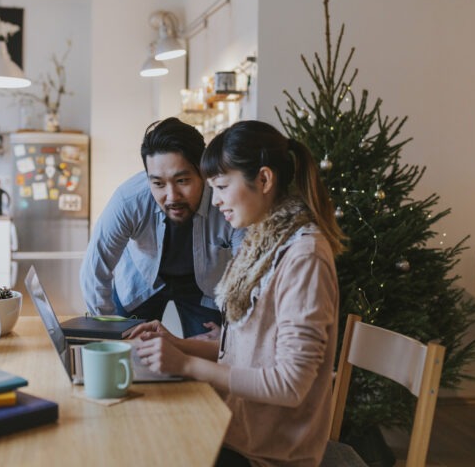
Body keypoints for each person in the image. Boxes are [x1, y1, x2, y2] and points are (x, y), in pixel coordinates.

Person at [130, 120, 346, 466]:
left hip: (268, 452)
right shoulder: (266, 245)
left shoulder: (303, 257)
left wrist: (186, 364)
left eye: (222, 186)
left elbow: (290, 386)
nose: (214, 202)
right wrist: (178, 344)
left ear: (263, 180)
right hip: (239, 429)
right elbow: (253, 351)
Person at [80, 117, 243, 337]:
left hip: (204, 285)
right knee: (127, 352)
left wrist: (234, 332)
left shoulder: (226, 199)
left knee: (214, 352)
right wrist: (108, 333)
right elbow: (95, 268)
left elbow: (250, 273)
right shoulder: (129, 199)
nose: (171, 196)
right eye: (158, 183)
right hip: (141, 279)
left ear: (203, 172)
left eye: (182, 181)